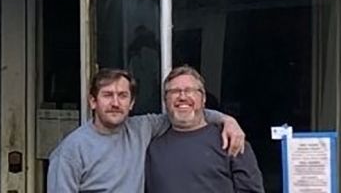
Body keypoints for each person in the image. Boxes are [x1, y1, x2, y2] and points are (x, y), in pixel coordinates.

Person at [48, 68, 246, 193]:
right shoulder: (72, 150)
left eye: (123, 96)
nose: (115, 103)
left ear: (132, 102)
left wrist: (227, 120)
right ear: (93, 101)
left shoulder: (141, 128)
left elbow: (184, 112)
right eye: (108, 95)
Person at [145, 66, 265, 193]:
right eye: (174, 91)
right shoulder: (152, 148)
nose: (182, 96)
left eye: (190, 90)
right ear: (165, 100)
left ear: (203, 99)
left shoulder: (231, 140)